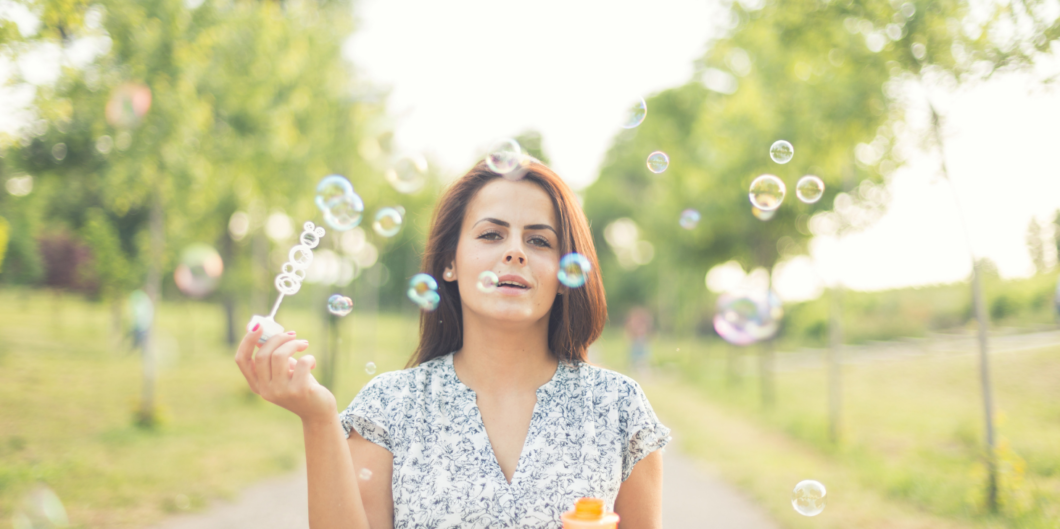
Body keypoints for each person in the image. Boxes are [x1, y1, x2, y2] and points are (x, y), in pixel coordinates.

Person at [234, 160, 671, 528]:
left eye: (539, 240)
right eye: (491, 235)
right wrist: (317, 417)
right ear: (449, 264)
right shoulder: (390, 406)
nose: (515, 252)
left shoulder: (619, 409)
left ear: (564, 275)